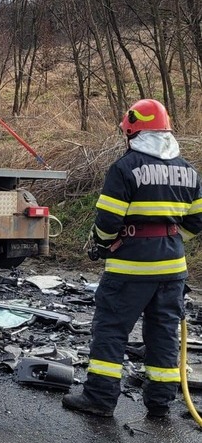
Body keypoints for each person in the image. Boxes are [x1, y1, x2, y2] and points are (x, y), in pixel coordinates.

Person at [62, 99, 202, 418]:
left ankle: (99, 397)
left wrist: (101, 245)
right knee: (163, 333)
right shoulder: (188, 171)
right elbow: (197, 222)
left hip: (131, 268)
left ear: (133, 132)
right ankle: (160, 401)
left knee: (111, 328)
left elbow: (109, 221)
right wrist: (170, 240)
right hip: (173, 270)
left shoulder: (126, 168)